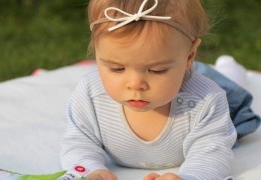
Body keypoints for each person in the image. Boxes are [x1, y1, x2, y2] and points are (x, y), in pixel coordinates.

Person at [59, 0, 260, 179]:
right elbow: (78, 141)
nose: (135, 84)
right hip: (180, 74)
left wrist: (190, 176)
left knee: (232, 95)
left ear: (190, 56)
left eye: (156, 70)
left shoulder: (206, 100)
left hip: (202, 88)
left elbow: (212, 153)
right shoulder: (91, 94)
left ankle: (231, 71)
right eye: (117, 68)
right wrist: (88, 170)